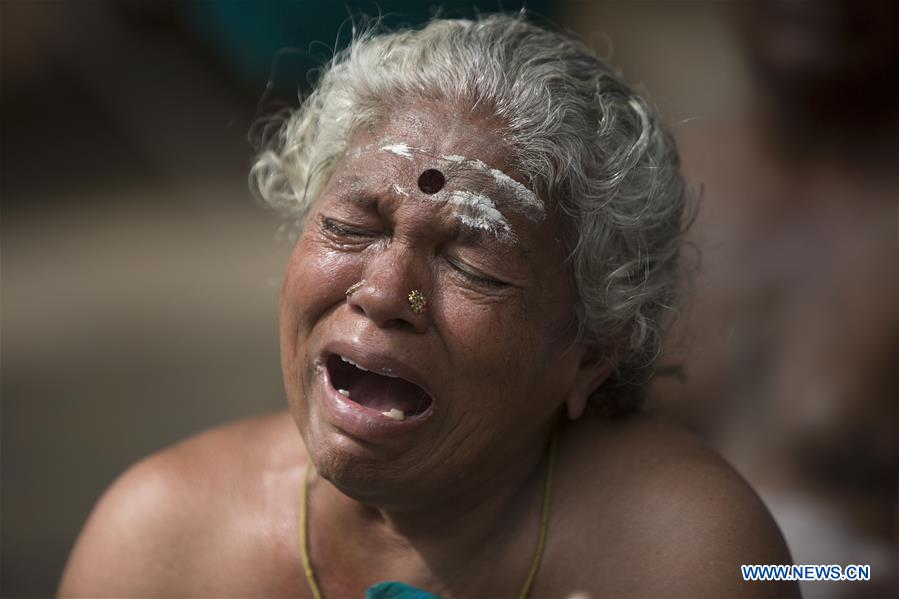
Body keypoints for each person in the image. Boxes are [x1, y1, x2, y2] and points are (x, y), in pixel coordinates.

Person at [59, 15, 796, 598]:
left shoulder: (692, 559)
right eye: (349, 228)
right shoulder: (161, 539)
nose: (383, 293)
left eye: (472, 264)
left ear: (592, 352)